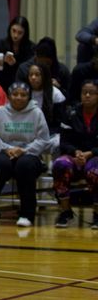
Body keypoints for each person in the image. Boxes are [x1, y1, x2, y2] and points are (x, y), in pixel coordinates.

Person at [0, 82, 50, 227]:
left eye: (23, 95)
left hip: (30, 154)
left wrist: (24, 150)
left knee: (25, 166)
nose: (19, 97)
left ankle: (27, 214)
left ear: (29, 97)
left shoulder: (36, 113)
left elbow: (44, 140)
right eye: (15, 94)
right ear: (9, 96)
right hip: (4, 152)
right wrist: (7, 148)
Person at [51, 79, 98, 229]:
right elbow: (63, 142)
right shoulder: (71, 113)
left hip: (94, 157)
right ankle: (65, 212)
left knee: (95, 171)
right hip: (75, 156)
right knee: (60, 164)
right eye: (85, 92)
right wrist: (75, 152)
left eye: (92, 93)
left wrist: (90, 153)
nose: (88, 95)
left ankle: (97, 214)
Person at [26, 62, 66, 153]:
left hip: (51, 134)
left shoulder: (55, 94)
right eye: (31, 75)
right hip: (28, 132)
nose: (33, 78)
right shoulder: (24, 94)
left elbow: (59, 123)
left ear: (44, 76)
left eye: (37, 75)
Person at [0, 16, 35, 93]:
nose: (15, 35)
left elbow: (30, 70)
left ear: (25, 33)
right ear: (9, 29)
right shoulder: (1, 44)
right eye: (13, 31)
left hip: (23, 86)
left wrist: (15, 64)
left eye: (20, 33)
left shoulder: (31, 47)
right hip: (2, 84)